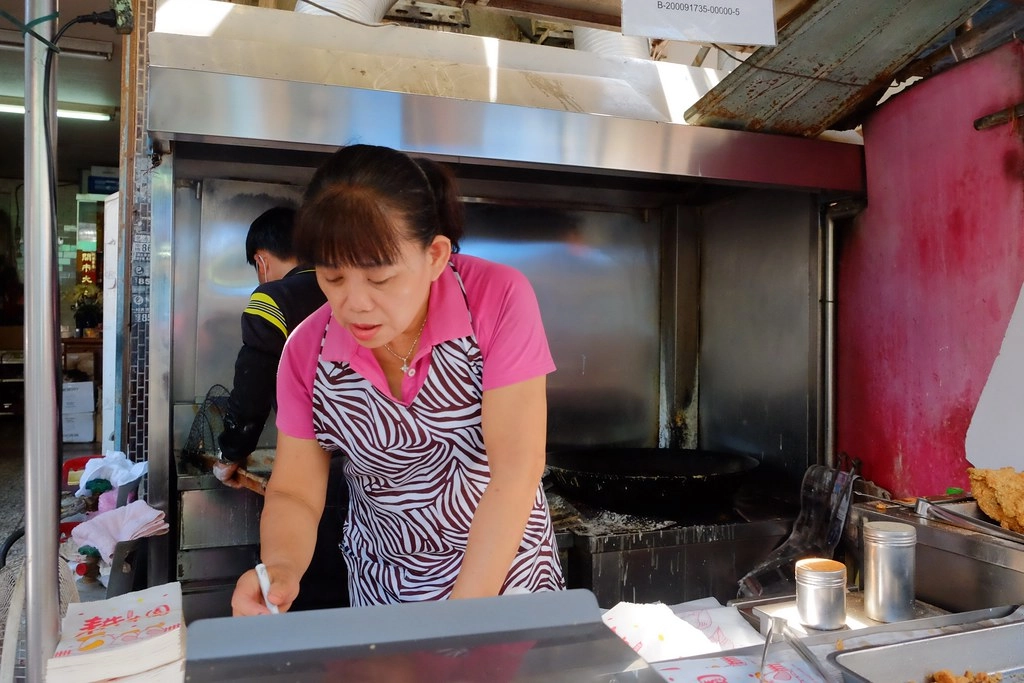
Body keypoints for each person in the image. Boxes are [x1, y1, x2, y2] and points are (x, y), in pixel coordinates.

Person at [231, 145, 564, 613]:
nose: (355, 304)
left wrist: (461, 622)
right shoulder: (307, 353)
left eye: (380, 279)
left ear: (435, 255)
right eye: (333, 277)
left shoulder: (495, 298)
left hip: (507, 583)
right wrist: (282, 567)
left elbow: (516, 471)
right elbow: (294, 491)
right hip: (386, 591)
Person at [214, 206, 346, 611]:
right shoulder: (347, 293)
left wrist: (230, 454)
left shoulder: (272, 298)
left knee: (307, 598)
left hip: (315, 482)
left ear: (261, 260)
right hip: (369, 489)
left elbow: (250, 392)